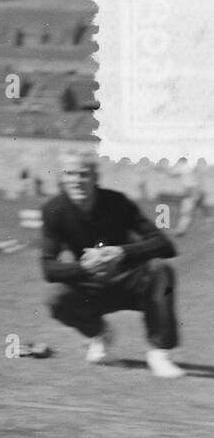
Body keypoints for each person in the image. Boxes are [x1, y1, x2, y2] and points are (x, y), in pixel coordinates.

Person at [42, 152, 182, 377]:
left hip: (130, 281)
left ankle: (159, 353)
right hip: (92, 286)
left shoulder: (118, 202)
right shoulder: (54, 210)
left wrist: (120, 252)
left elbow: (165, 246)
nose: (77, 180)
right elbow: (48, 268)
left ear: (95, 177)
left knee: (161, 270)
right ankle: (100, 334)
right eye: (70, 174)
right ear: (62, 178)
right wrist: (86, 268)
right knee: (55, 298)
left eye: (84, 174)